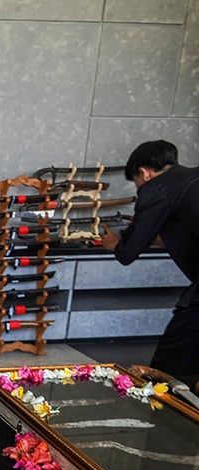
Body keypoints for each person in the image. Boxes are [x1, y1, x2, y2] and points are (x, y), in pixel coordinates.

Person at [101, 139, 199, 389]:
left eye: (137, 183)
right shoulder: (191, 180)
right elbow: (182, 231)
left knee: (170, 361)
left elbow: (128, 252)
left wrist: (115, 244)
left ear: (143, 173)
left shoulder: (157, 188)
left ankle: (164, 413)